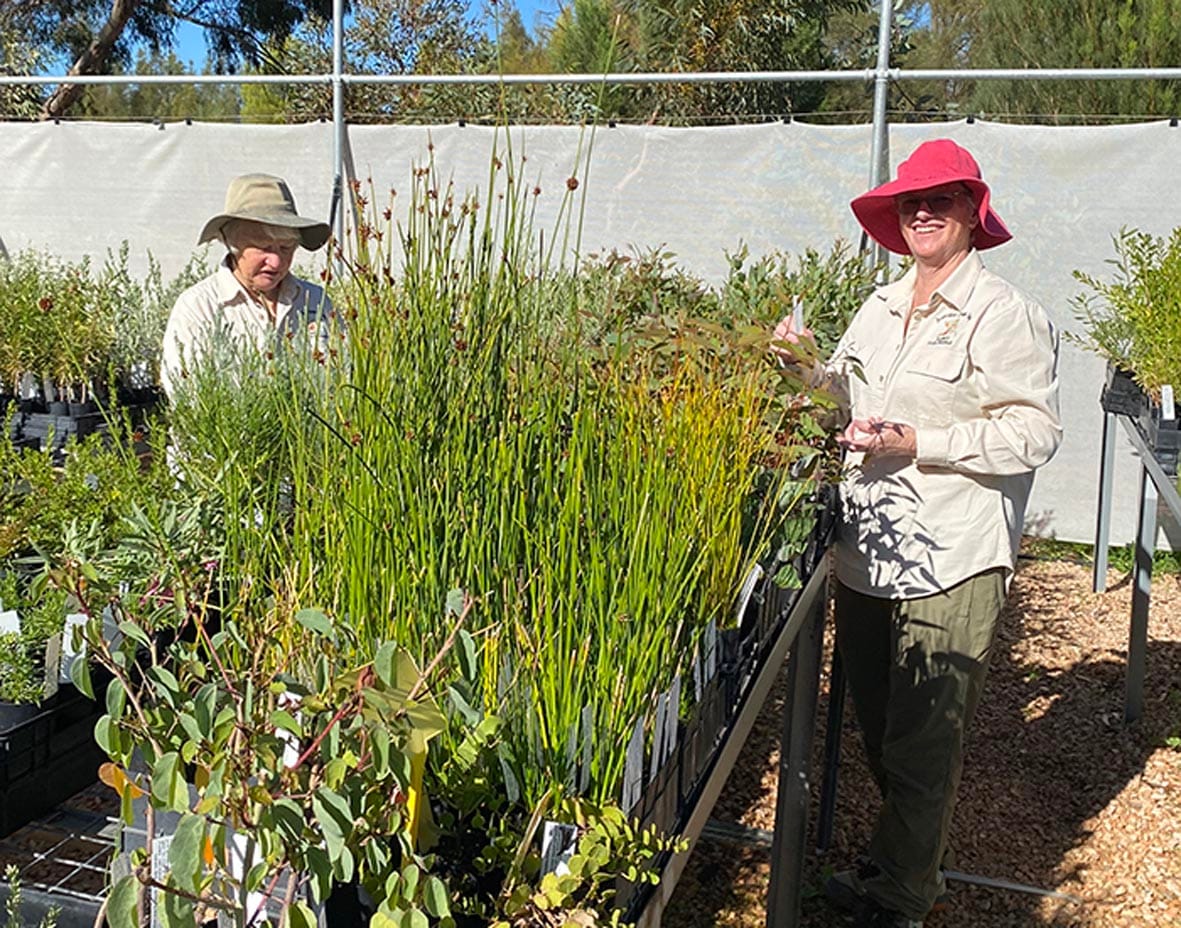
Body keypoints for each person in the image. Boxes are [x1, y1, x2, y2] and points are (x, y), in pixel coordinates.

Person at [774, 139, 1062, 927]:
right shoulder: (876, 307)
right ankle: (905, 868)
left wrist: (920, 443)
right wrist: (804, 369)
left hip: (953, 553)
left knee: (924, 742)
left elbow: (1032, 434)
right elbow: (843, 406)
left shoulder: (1002, 314)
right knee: (879, 725)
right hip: (868, 551)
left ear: (973, 211)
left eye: (940, 198)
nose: (922, 211)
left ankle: (899, 899)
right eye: (909, 202)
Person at [160, 173, 336, 399]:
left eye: (286, 248)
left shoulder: (315, 301)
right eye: (263, 247)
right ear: (231, 243)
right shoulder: (199, 306)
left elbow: (339, 376)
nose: (276, 262)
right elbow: (186, 396)